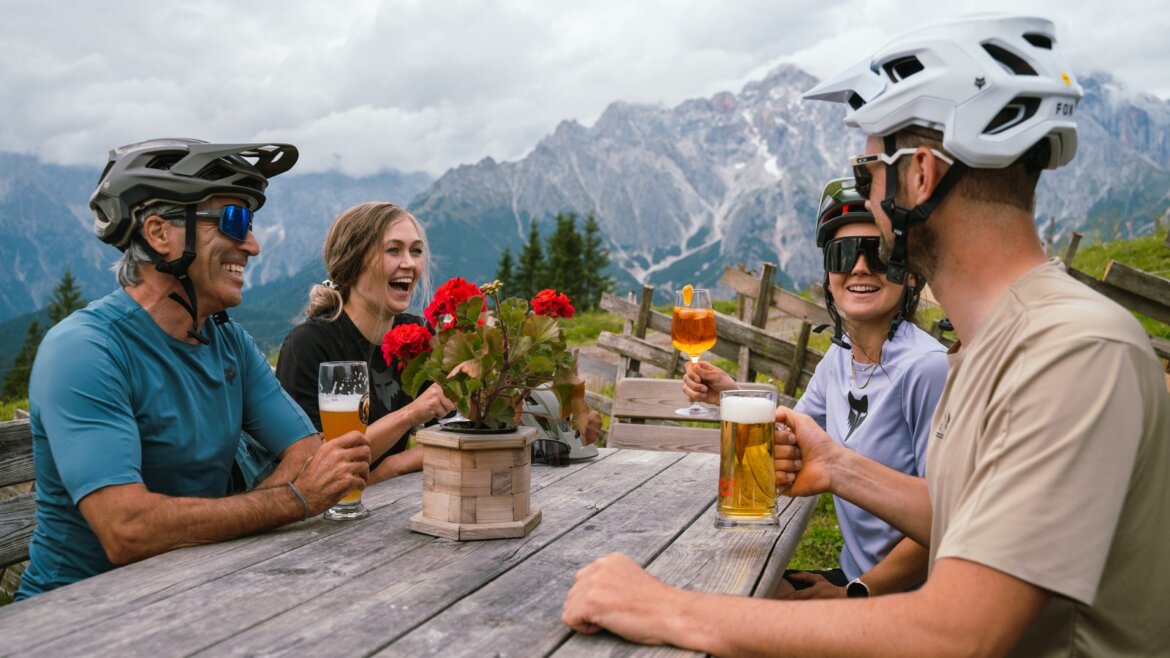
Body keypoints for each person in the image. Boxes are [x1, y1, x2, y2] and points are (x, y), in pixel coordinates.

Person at [562, 15, 1170, 656]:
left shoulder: (1070, 350)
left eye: (868, 171)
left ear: (921, 175)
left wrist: (668, 608)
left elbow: (958, 632)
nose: (866, 201)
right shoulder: (995, 345)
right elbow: (972, 523)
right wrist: (839, 466)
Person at [17, 139, 371, 600]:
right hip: (74, 613)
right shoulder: (85, 350)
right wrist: (292, 501)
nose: (253, 245)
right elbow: (126, 528)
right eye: (233, 221)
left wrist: (228, 518)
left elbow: (307, 453)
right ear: (161, 232)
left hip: (194, 590)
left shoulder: (228, 341)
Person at [682, 177, 946, 599]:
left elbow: (950, 521)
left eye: (878, 253)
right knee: (712, 588)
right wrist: (729, 395)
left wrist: (854, 593)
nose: (860, 267)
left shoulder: (926, 369)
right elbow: (795, 435)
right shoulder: (841, 355)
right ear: (829, 276)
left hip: (906, 596)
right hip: (854, 576)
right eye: (843, 255)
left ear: (910, 274)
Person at [275, 202, 455, 484]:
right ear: (353, 261)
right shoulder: (309, 345)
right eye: (393, 250)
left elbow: (454, 433)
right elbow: (313, 469)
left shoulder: (416, 333)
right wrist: (410, 414)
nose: (408, 263)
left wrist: (393, 466)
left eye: (416, 251)